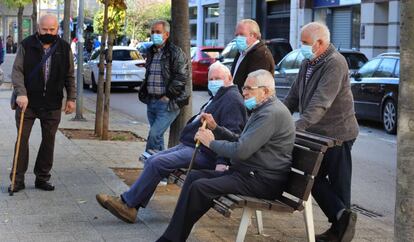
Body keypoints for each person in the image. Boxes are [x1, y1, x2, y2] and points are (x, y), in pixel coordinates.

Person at [96, 61, 247, 223]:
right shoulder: (220, 96)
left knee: (157, 162)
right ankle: (130, 205)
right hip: (191, 146)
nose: (214, 82)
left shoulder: (232, 99)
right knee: (153, 160)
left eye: (218, 78)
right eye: (211, 79)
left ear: (230, 78)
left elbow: (232, 136)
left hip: (205, 152)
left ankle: (127, 204)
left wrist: (221, 164)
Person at [156, 69, 295, 242]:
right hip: (249, 172)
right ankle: (173, 235)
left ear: (265, 91)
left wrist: (211, 143)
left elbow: (241, 150)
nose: (243, 92)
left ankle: (171, 239)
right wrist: (216, 128)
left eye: (249, 88)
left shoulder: (270, 114)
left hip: (262, 180)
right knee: (193, 178)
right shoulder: (263, 109)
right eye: (244, 88)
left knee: (201, 188)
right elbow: (242, 141)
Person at [283, 22, 359, 242]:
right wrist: (275, 116)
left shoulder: (335, 63)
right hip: (317, 133)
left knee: (338, 184)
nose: (302, 47)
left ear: (320, 43)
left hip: (338, 133)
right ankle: (341, 220)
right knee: (310, 178)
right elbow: (292, 97)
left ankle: (341, 231)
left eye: (305, 43)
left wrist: (296, 127)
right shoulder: (308, 62)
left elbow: (321, 103)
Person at [9, 14, 76, 192]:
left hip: (52, 103)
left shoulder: (64, 47)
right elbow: (17, 71)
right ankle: (17, 179)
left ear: (57, 29)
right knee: (22, 140)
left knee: (49, 141)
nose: (48, 32)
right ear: (38, 28)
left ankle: (42, 177)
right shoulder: (26, 45)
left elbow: (70, 75)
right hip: (27, 102)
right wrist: (21, 93)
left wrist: (71, 98)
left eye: (52, 30)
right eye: (44, 29)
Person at [138, 20, 190, 152]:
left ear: (166, 34)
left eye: (158, 32)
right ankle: (161, 169)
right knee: (158, 137)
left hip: (167, 103)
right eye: (153, 32)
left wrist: (168, 96)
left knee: (154, 135)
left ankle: (148, 164)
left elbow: (181, 76)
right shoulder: (151, 51)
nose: (154, 35)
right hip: (152, 101)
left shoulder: (175, 52)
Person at [230, 19, 275, 92]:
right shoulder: (241, 52)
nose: (238, 38)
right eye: (236, 35)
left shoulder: (261, 55)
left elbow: (255, 86)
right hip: (236, 100)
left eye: (241, 34)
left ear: (254, 35)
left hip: (247, 101)